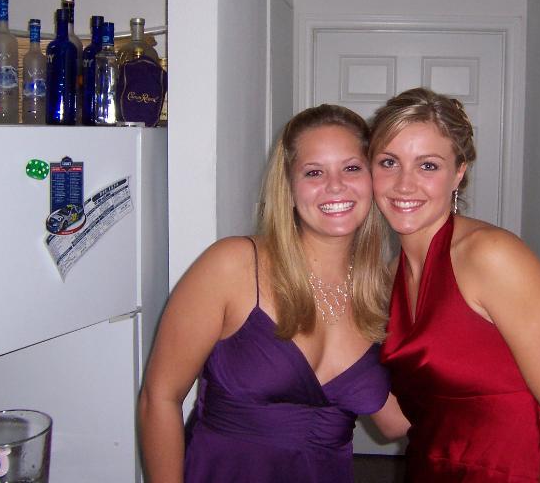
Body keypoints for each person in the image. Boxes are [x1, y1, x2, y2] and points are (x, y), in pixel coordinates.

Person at [138, 104, 396, 483]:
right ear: (288, 188)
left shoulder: (382, 294)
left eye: (351, 168)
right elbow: (158, 398)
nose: (335, 185)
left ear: (373, 180)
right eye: (314, 172)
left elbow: (394, 422)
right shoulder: (233, 265)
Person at [368, 88, 540, 482]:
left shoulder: (491, 257)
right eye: (389, 162)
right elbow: (396, 423)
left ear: (458, 173)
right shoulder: (389, 279)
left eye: (428, 166)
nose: (404, 184)